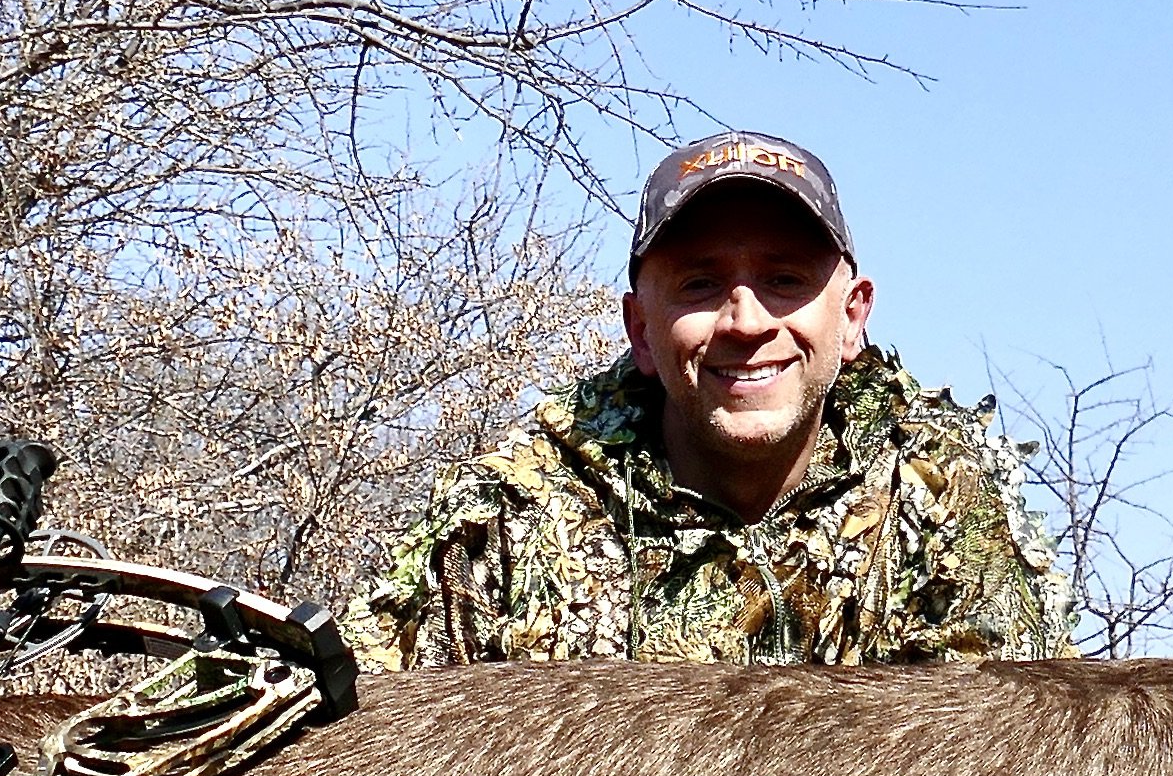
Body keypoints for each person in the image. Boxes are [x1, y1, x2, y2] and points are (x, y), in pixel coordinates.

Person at [361, 130, 1067, 668]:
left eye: (785, 280)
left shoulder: (941, 496)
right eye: (700, 285)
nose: (747, 321)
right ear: (640, 329)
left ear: (853, 316)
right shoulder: (507, 517)